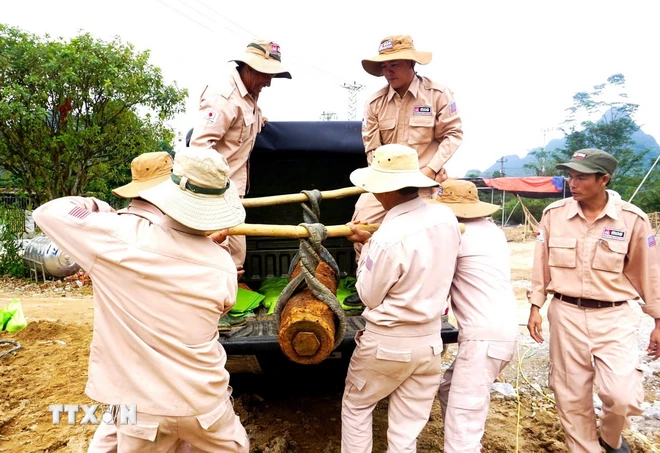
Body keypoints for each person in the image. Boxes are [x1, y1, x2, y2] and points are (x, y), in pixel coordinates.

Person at [34, 147, 249, 453]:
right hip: (204, 405)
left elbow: (48, 213)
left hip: (141, 409)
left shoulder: (116, 239)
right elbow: (218, 305)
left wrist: (101, 209)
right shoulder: (222, 265)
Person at [526, 148, 660, 453]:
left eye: (581, 177)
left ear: (604, 179)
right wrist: (535, 306)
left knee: (622, 395)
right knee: (570, 393)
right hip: (565, 313)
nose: (572, 183)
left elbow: (649, 273)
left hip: (614, 316)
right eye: (570, 176)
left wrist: (658, 321)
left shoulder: (632, 220)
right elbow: (541, 265)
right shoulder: (554, 216)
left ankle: (610, 440)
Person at [341, 143, 462, 452]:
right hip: (430, 341)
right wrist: (372, 240)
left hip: (388, 343)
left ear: (384, 189)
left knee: (357, 406)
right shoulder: (446, 218)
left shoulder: (385, 238)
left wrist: (367, 247)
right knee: (407, 429)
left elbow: (369, 295)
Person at [351, 34, 463, 261]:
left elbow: (453, 134)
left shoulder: (437, 94)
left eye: (394, 65)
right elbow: (372, 150)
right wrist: (382, 184)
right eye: (384, 66)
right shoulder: (374, 103)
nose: (388, 71)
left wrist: (431, 171)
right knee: (361, 222)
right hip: (387, 185)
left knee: (432, 238)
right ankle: (366, 281)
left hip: (425, 182)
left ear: (412, 63)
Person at [430, 179, 518, 453]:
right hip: (500, 330)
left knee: (463, 424)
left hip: (484, 337)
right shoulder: (492, 230)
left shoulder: (458, 233)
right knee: (449, 389)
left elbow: (433, 283)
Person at [189, 39, 291, 268]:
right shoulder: (223, 97)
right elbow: (199, 148)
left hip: (233, 194)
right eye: (267, 75)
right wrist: (215, 196)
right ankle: (217, 303)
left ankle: (228, 300)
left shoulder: (249, 95)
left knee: (235, 258)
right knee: (221, 258)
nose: (269, 83)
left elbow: (240, 124)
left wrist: (259, 118)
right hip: (216, 194)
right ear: (249, 68)